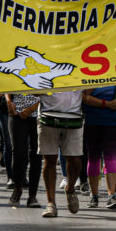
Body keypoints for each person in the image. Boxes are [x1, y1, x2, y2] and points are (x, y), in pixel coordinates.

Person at [37, 89, 85, 218]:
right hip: (48, 115)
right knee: (49, 160)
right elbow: (33, 90)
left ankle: (70, 189)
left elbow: (89, 90)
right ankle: (51, 203)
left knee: (75, 160)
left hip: (74, 115)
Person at [81, 87, 116, 209]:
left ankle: (111, 195)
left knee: (110, 156)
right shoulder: (90, 71)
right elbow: (85, 96)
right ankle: (94, 195)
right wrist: (106, 104)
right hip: (93, 119)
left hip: (112, 120)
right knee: (94, 157)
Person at [5, 92, 41, 208]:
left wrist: (32, 108)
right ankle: (17, 189)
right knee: (19, 153)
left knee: (36, 154)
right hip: (16, 113)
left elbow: (50, 93)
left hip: (38, 114)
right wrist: (8, 101)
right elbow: (6, 82)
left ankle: (32, 195)